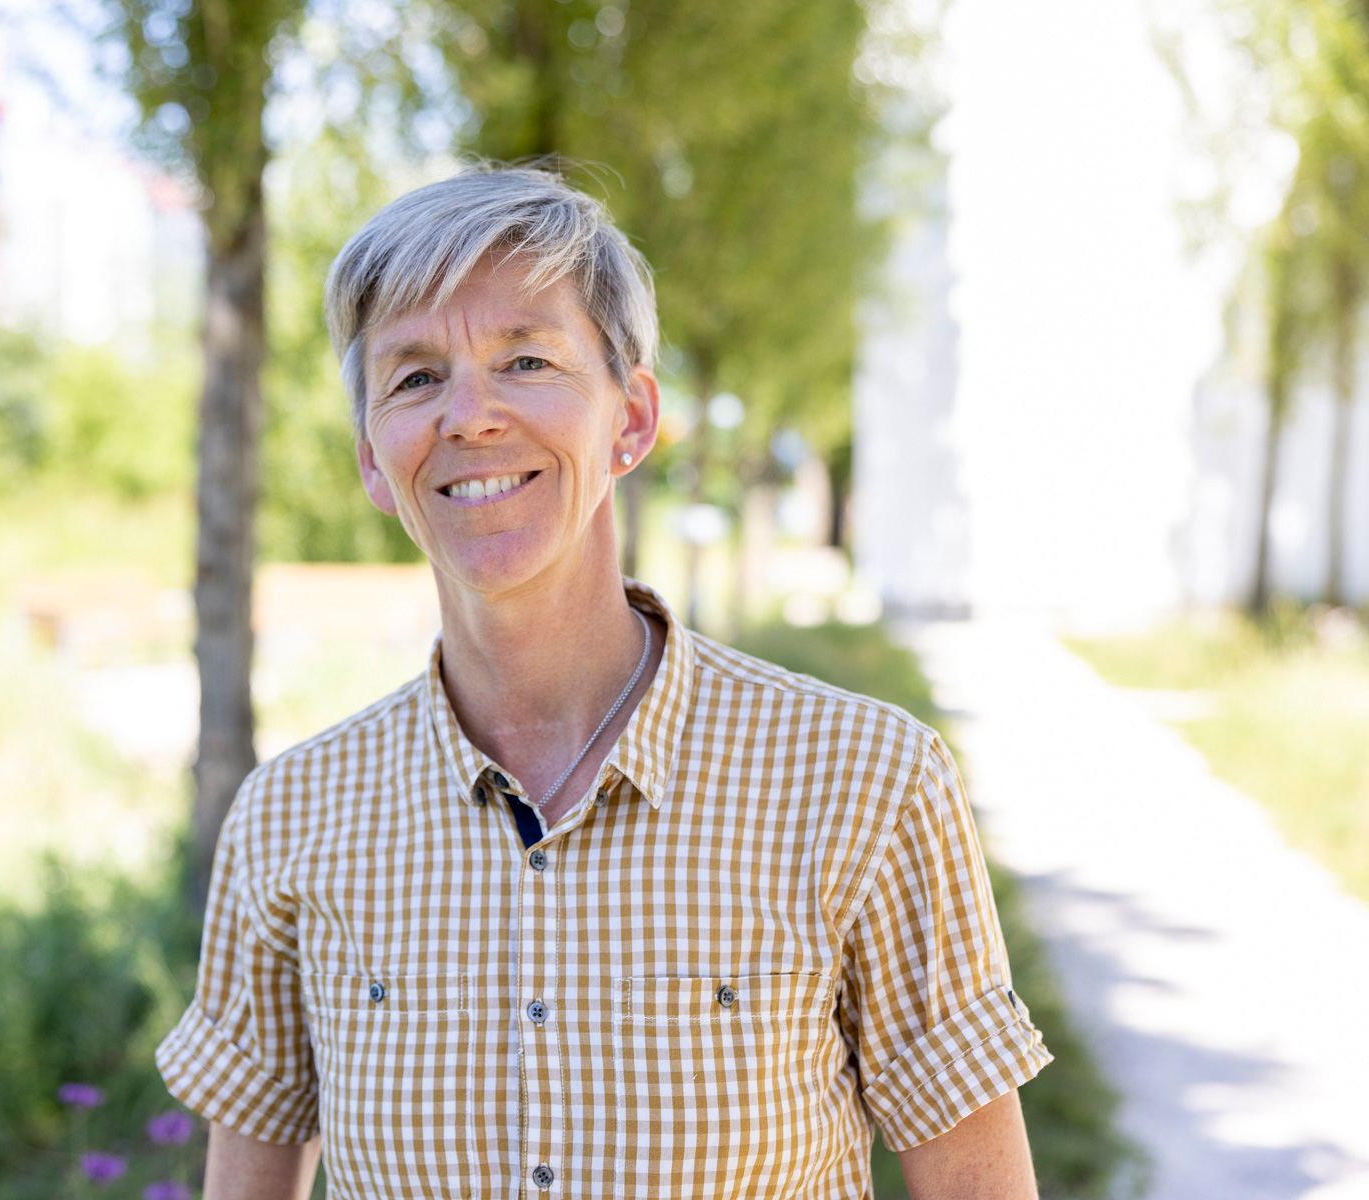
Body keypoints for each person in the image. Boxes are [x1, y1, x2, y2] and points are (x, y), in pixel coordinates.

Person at [156, 166, 1051, 1199]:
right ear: (371, 459)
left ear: (630, 419)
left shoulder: (868, 782)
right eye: (414, 378)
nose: (470, 417)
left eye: (525, 359)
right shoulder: (291, 817)